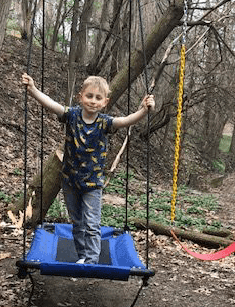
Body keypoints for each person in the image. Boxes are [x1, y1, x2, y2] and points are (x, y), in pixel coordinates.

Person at [21, 72, 155, 264]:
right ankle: (82, 256)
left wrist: (144, 110)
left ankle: (92, 261)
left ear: (105, 102)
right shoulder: (71, 115)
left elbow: (127, 121)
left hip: (92, 185)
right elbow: (50, 104)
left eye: (98, 98)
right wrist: (33, 89)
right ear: (80, 97)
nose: (93, 101)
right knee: (77, 223)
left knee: (91, 224)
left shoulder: (105, 123)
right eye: (89, 96)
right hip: (69, 181)